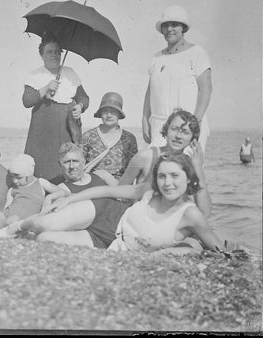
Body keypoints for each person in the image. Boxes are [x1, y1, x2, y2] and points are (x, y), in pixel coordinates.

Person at [14, 110, 212, 249]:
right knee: (45, 225)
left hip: (126, 231)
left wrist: (198, 168)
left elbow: (204, 214)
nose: (178, 135)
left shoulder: (188, 168)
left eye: (185, 132)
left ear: (193, 139)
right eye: (175, 129)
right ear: (166, 130)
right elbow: (121, 189)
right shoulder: (146, 157)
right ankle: (11, 228)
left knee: (45, 239)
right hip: (115, 212)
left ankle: (20, 233)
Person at [107, 153, 223, 254]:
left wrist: (184, 250)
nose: (167, 183)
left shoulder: (190, 214)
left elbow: (221, 251)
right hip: (111, 239)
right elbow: (110, 191)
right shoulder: (150, 194)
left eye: (174, 176)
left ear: (188, 178)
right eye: (162, 176)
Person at [142, 5, 213, 151]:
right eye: (166, 26)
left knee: (185, 171)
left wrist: (195, 124)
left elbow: (206, 89)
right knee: (157, 169)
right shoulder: (157, 57)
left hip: (186, 128)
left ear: (183, 28)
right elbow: (151, 91)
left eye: (174, 25)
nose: (169, 29)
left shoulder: (196, 53)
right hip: (159, 126)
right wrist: (144, 119)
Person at [23, 31, 89, 182]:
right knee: (42, 168)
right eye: (49, 52)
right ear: (42, 55)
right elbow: (27, 101)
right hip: (43, 128)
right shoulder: (35, 75)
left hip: (67, 126)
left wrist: (80, 106)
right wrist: (45, 89)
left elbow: (84, 97)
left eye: (57, 52)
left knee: (66, 163)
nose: (54, 55)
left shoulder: (69, 73)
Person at [0, 154, 67, 233]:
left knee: (13, 220)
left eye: (19, 177)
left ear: (29, 174)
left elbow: (63, 192)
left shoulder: (40, 182)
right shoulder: (13, 189)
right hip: (7, 216)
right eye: (12, 177)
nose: (15, 181)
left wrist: (49, 198)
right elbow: (7, 207)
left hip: (25, 221)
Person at [82, 92, 138, 186]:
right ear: (100, 114)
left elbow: (134, 170)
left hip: (118, 186)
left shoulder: (129, 139)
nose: (109, 115)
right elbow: (79, 164)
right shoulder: (88, 136)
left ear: (119, 114)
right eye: (105, 111)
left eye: (113, 111)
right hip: (92, 184)